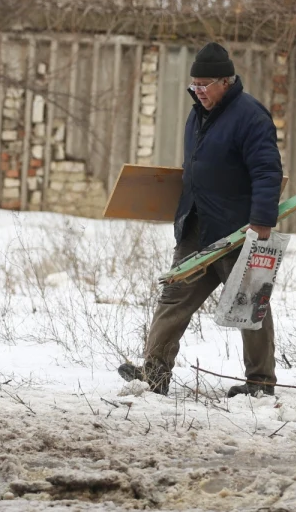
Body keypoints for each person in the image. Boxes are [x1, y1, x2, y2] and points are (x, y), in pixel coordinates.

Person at [118, 41, 283, 398]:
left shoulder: (251, 116)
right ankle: (155, 374)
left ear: (226, 81)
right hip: (197, 227)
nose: (199, 91)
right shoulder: (198, 114)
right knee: (174, 299)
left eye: (206, 85)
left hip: (238, 232)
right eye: (195, 85)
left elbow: (268, 172)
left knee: (250, 305)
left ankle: (260, 383)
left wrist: (262, 223)